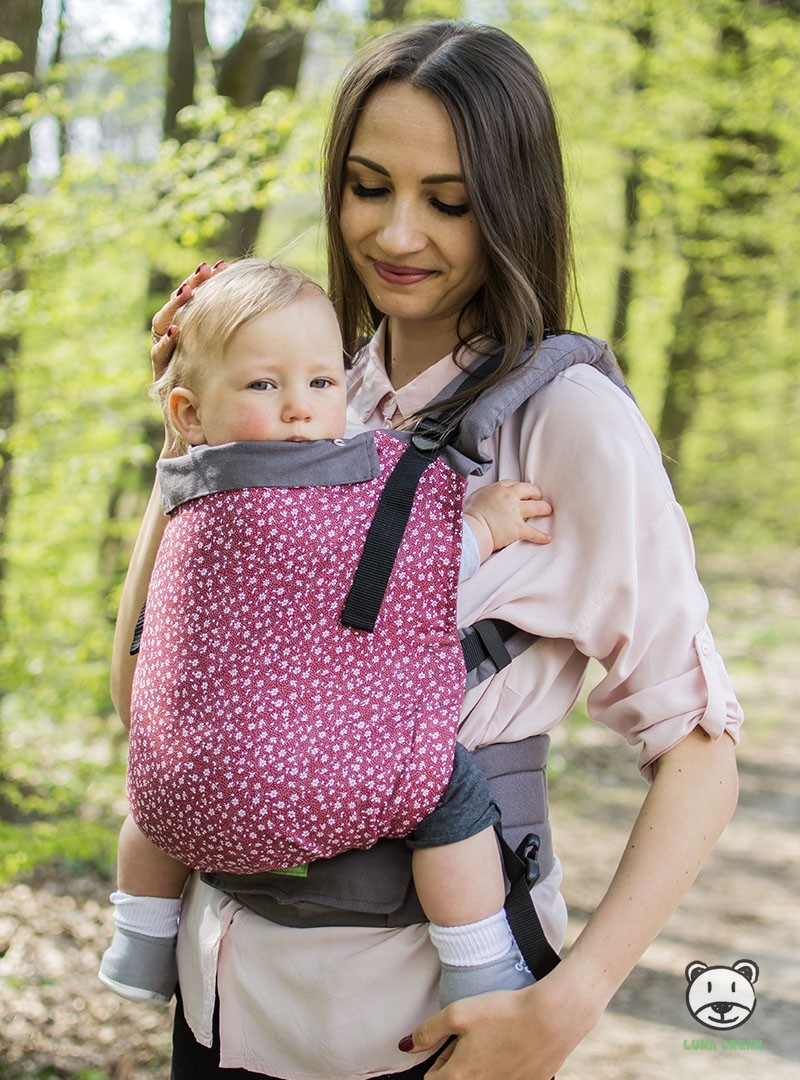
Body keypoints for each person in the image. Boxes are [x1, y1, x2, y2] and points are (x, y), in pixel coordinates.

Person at [111, 19, 742, 1080]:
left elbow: (697, 742)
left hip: (424, 1009)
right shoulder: (314, 396)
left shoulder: (564, 420)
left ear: (511, 204)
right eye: (367, 187)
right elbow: (141, 692)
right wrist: (193, 454)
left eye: (446, 202)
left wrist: (564, 1007)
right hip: (224, 990)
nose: (398, 234)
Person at [100, 257, 554, 1009]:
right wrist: (481, 525)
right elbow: (392, 567)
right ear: (187, 411)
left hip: (176, 800)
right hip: (304, 789)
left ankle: (140, 943)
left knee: (154, 803)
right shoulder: (285, 498)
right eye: (261, 384)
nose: (298, 409)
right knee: (449, 792)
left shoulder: (188, 494)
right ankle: (480, 962)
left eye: (321, 382)